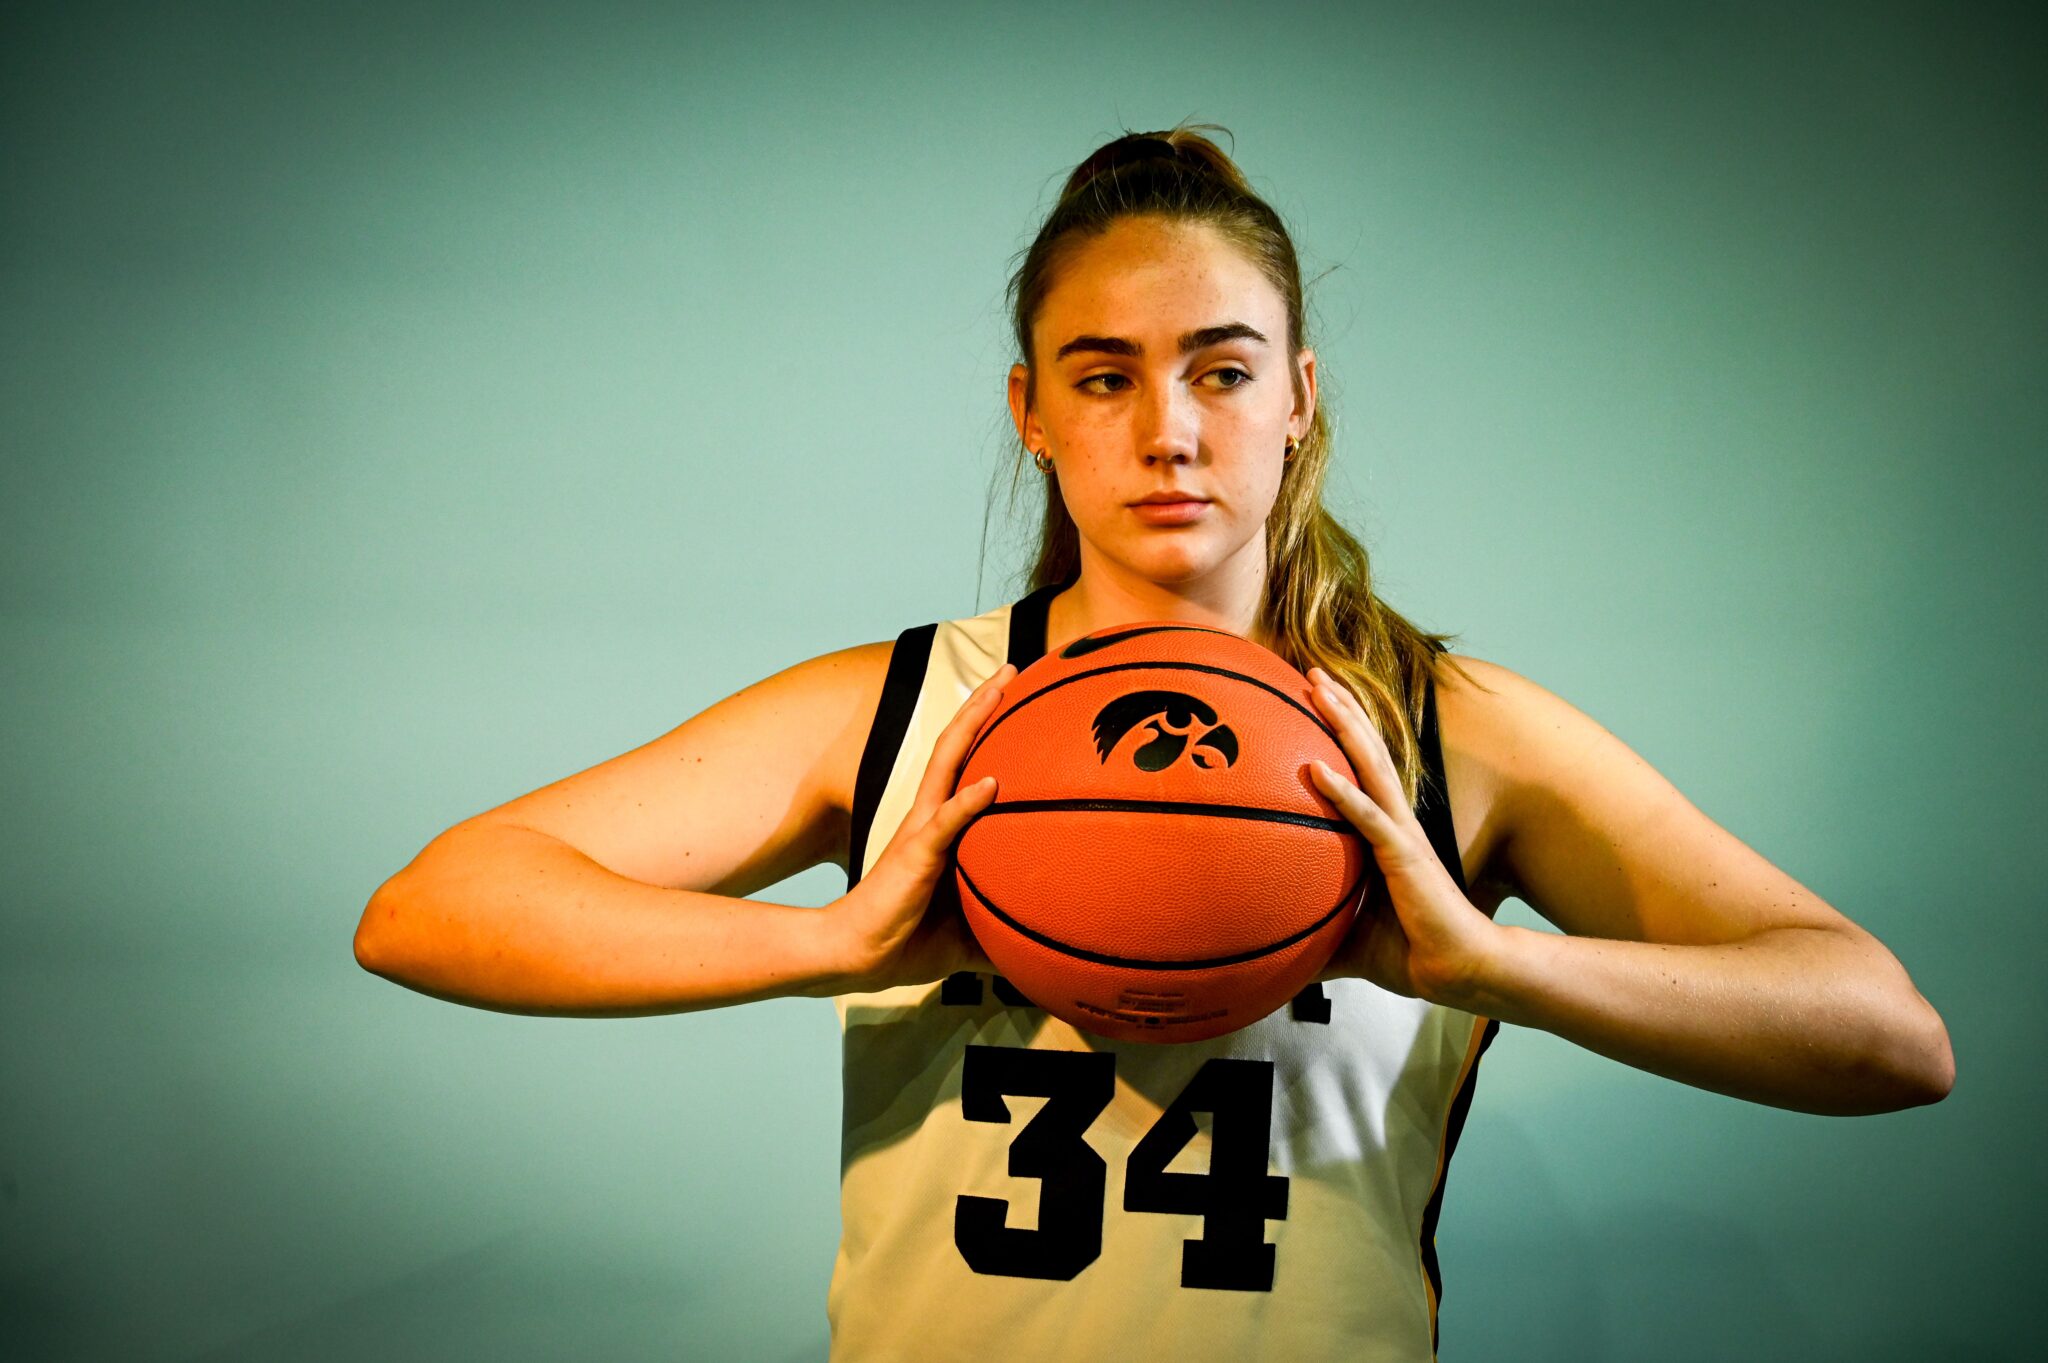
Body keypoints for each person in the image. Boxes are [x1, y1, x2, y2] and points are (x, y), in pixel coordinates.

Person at [354, 123, 1955, 1362]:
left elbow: (1889, 1038)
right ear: (1031, 411)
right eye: (1104, 376)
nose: (1169, 431)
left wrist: (1491, 965)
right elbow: (427, 909)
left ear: (1300, 397)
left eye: (1222, 371)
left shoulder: (1444, 732)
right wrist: (832, 945)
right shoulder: (903, 708)